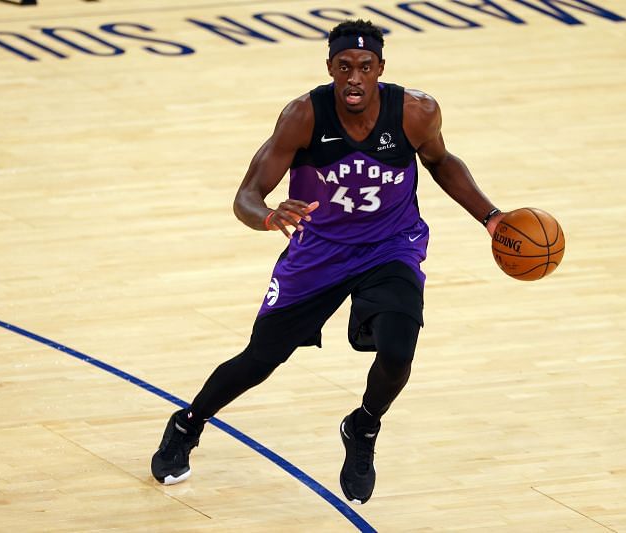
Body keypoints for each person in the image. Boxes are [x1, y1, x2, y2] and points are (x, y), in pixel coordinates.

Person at [151, 18, 504, 504]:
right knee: (259, 360)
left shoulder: (416, 112)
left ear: (380, 68)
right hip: (320, 253)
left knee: (399, 351)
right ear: (330, 69)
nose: (354, 77)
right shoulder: (303, 116)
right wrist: (269, 216)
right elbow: (247, 195)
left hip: (390, 246)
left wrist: (490, 216)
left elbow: (441, 162)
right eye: (344, 67)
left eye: (364, 67)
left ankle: (362, 427)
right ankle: (187, 425)